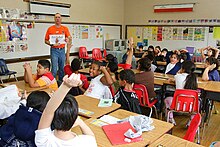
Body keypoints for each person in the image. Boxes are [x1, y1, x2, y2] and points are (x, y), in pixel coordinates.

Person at [35, 73, 97, 147]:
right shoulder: (86, 142)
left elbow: (48, 111)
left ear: (52, 118)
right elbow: (91, 137)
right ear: (74, 118)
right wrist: (81, 122)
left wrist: (66, 86)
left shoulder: (44, 141)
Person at [164, 61, 198, 125]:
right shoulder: (194, 79)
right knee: (198, 102)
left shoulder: (177, 76)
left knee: (167, 99)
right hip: (191, 106)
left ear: (183, 69)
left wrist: (179, 72)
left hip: (177, 104)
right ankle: (191, 120)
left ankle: (171, 118)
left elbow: (177, 77)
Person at [45, 13, 71, 81]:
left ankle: (60, 83)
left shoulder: (65, 28)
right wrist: (52, 44)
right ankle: (52, 84)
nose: (57, 19)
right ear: (54, 19)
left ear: (61, 19)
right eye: (56, 17)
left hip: (62, 50)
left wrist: (67, 39)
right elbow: (46, 40)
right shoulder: (50, 29)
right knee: (54, 69)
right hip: (54, 50)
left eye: (59, 17)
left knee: (62, 69)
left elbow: (69, 38)